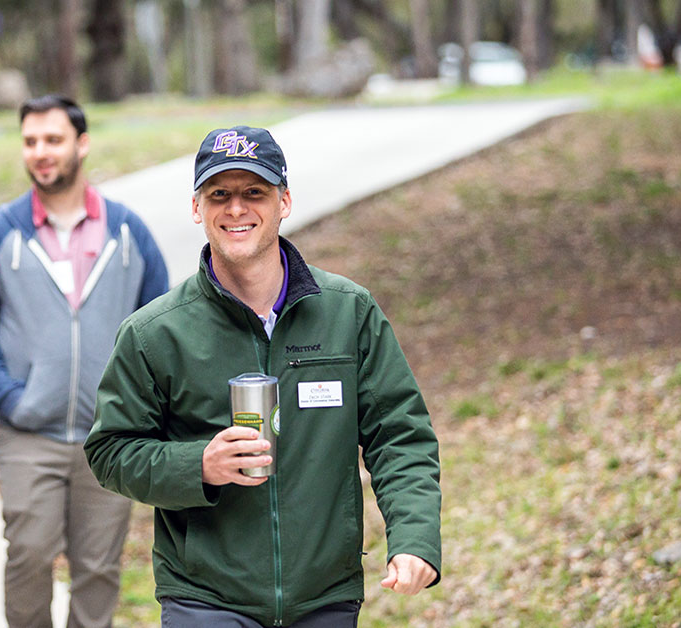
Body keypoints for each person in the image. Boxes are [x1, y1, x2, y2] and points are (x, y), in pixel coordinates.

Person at [84, 126, 442, 626]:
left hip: (325, 596)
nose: (236, 209)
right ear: (196, 208)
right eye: (219, 195)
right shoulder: (154, 333)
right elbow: (110, 450)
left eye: (254, 192)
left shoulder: (347, 313)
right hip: (205, 597)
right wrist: (198, 466)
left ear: (284, 201)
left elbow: (400, 435)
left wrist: (415, 539)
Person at [0, 94, 168, 628]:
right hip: (30, 433)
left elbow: (162, 327)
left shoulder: (128, 232)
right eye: (30, 141)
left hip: (109, 437)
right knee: (29, 556)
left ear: (82, 143)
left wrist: (139, 408)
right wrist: (9, 398)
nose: (40, 152)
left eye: (52, 140)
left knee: (97, 568)